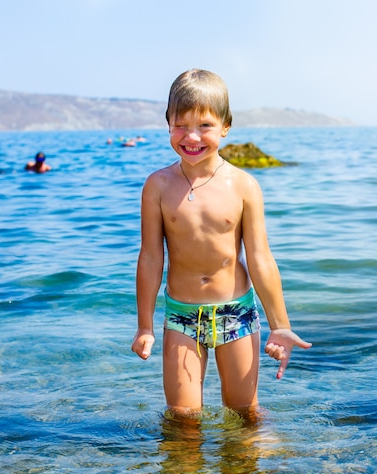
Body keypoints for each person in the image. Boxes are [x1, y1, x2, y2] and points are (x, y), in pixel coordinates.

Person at [131, 69, 311, 416]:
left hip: (236, 312)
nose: (191, 136)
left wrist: (280, 324)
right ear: (168, 123)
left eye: (205, 126)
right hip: (182, 314)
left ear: (226, 126)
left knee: (245, 413)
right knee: (182, 417)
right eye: (181, 125)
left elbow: (260, 258)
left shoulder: (243, 186)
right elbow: (151, 258)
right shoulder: (157, 186)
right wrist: (144, 325)